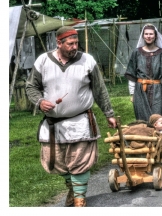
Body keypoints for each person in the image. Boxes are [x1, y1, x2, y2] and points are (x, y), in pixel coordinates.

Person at [25, 26, 117, 207]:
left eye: (76, 42)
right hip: (53, 125)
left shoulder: (87, 61)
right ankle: (74, 189)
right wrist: (40, 102)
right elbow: (31, 87)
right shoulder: (43, 61)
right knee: (57, 163)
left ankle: (79, 199)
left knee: (80, 162)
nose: (75, 46)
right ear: (59, 43)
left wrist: (109, 113)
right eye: (70, 43)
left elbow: (100, 90)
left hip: (80, 122)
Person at [124, 23, 162, 124]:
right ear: (143, 36)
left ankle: (159, 139)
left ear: (155, 36)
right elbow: (132, 76)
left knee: (158, 118)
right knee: (142, 120)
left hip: (157, 90)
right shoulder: (136, 53)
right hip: (140, 91)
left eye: (151, 34)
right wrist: (132, 94)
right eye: (146, 34)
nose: (148, 36)